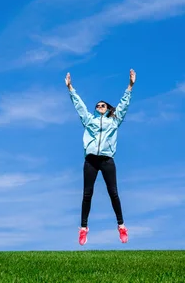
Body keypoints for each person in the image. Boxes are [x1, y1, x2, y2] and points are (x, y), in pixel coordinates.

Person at [65, 69, 135, 246]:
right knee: (87, 194)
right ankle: (83, 229)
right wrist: (70, 88)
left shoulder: (114, 120)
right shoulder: (89, 120)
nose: (99, 106)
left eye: (102, 105)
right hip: (91, 161)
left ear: (108, 108)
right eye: (97, 105)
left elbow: (124, 104)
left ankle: (121, 226)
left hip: (106, 160)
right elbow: (79, 106)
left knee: (113, 193)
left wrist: (130, 86)